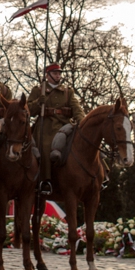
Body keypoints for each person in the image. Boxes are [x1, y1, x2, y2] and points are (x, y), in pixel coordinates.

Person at [28, 62, 84, 196]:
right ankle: (45, 181)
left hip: (64, 124)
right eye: (54, 73)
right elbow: (29, 109)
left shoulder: (67, 92)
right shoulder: (38, 90)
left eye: (59, 73)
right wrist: (38, 102)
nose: (58, 75)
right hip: (45, 126)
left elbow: (76, 107)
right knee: (46, 146)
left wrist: (82, 121)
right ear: (47, 75)